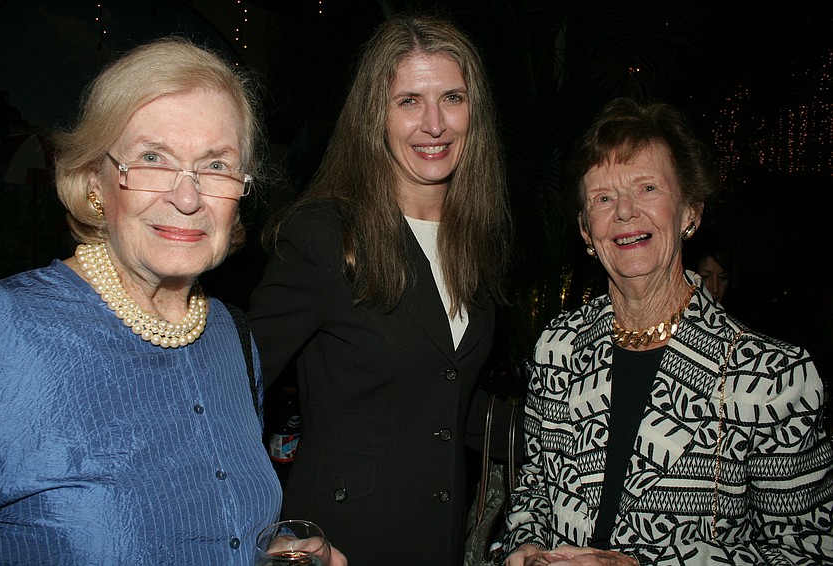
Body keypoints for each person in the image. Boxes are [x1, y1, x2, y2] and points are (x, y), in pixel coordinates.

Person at [0, 36, 347, 566]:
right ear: (94, 181)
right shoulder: (0, 333)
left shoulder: (231, 335)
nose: (187, 196)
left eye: (216, 166)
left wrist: (266, 549)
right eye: (153, 157)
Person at [503, 97, 833, 565]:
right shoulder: (558, 346)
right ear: (584, 230)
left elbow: (810, 553)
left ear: (690, 213)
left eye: (647, 188)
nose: (623, 213)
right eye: (602, 198)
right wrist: (525, 547)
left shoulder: (771, 379)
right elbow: (534, 488)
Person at [246, 13, 512, 566]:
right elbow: (234, 386)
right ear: (376, 115)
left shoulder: (475, 240)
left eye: (453, 98)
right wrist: (250, 527)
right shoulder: (324, 234)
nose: (434, 124)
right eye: (409, 100)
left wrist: (565, 434)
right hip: (340, 541)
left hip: (439, 539)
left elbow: (442, 392)